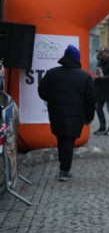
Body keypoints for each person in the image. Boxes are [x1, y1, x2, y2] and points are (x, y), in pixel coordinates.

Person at [37, 45, 95, 181]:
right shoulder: (85, 76)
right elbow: (90, 100)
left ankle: (63, 167)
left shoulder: (52, 73)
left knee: (62, 139)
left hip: (56, 113)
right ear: (77, 59)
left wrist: (53, 101)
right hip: (76, 116)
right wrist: (89, 117)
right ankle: (64, 170)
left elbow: (42, 91)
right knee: (68, 141)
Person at [93, 46, 109, 135]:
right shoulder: (100, 61)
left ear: (107, 53)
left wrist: (103, 78)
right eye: (100, 52)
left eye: (102, 52)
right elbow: (98, 73)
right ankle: (102, 127)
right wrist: (95, 78)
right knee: (98, 107)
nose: (100, 53)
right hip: (100, 89)